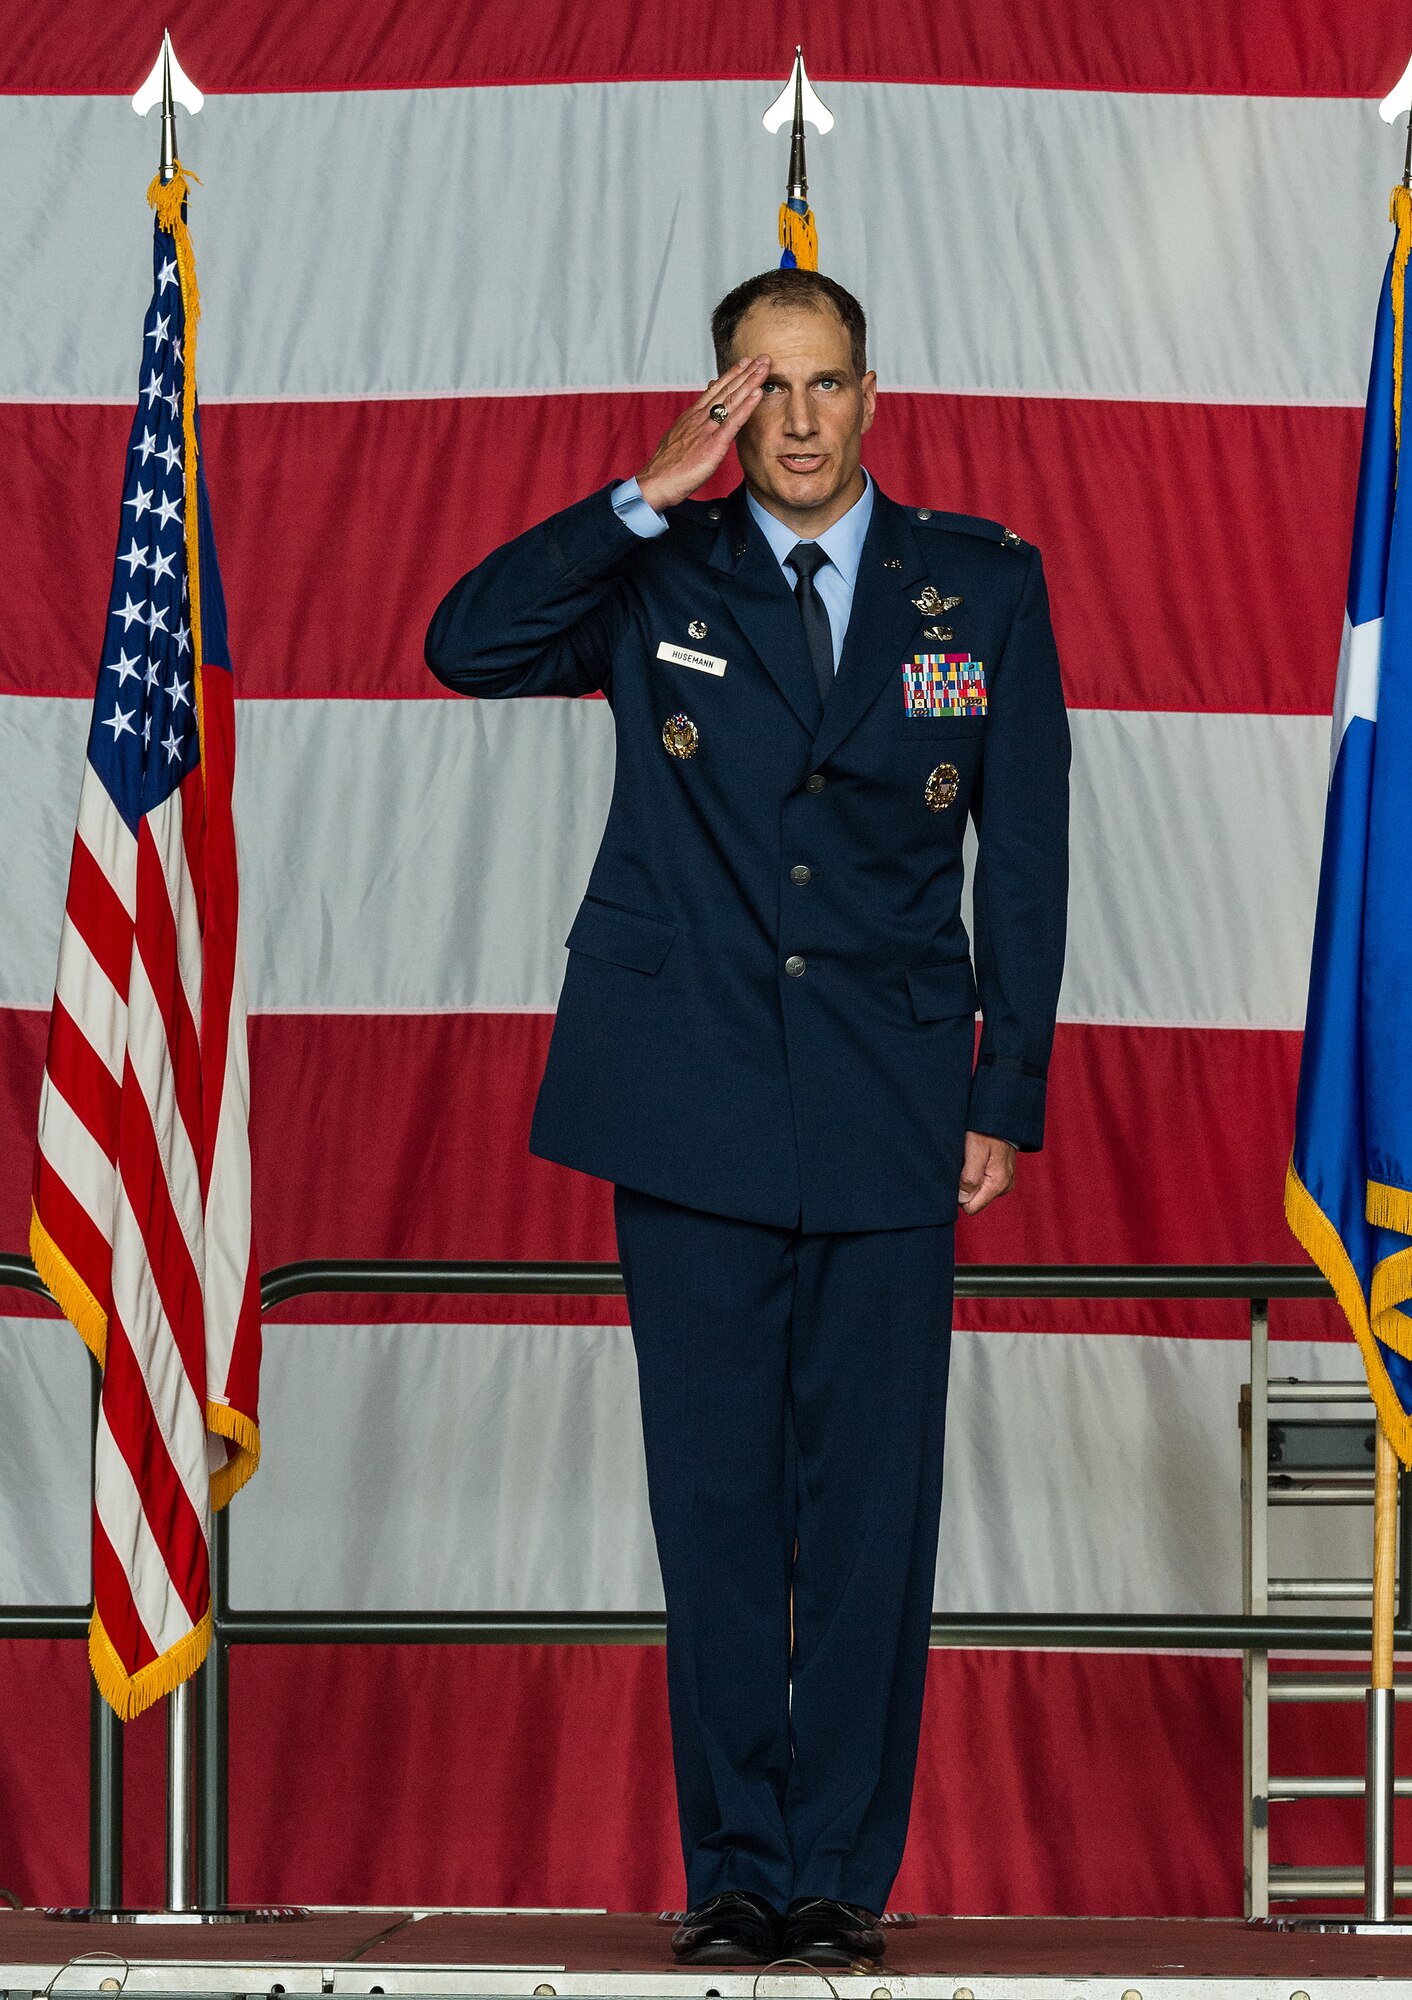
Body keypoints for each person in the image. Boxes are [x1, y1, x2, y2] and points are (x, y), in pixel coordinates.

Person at [426, 268, 1070, 1967]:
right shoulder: (659, 565)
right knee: (712, 1507)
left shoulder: (982, 586)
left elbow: (1032, 853)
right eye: (756, 388)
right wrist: (647, 486)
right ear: (718, 400)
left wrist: (1004, 1090)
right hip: (690, 1088)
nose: (791, 421)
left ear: (875, 396)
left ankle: (841, 1876)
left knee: (869, 1514)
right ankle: (733, 1870)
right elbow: (462, 644)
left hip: (893, 1098)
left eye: (823, 384)